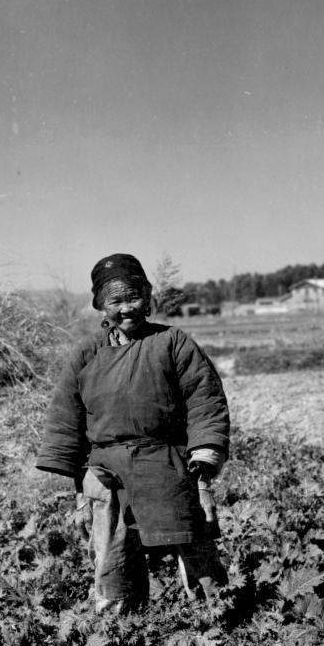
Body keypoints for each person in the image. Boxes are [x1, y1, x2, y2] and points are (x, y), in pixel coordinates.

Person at [35, 253, 229, 613]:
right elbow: (66, 416)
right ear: (100, 306)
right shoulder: (87, 353)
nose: (127, 308)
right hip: (106, 468)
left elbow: (204, 398)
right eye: (116, 301)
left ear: (149, 295)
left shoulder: (173, 342)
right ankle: (122, 632)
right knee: (113, 557)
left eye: (134, 297)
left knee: (194, 547)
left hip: (167, 464)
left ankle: (217, 620)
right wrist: (78, 482)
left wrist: (203, 458)